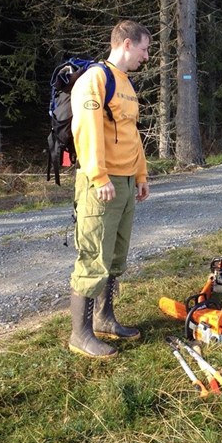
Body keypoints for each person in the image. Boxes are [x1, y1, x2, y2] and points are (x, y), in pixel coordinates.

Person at [68, 20, 151, 358]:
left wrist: (141, 175)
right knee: (93, 256)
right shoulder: (95, 79)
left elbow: (131, 133)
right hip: (101, 184)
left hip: (126, 181)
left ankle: (105, 318)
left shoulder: (126, 84)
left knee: (115, 256)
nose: (147, 56)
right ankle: (80, 334)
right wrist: (99, 176)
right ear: (127, 44)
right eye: (144, 49)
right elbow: (86, 130)